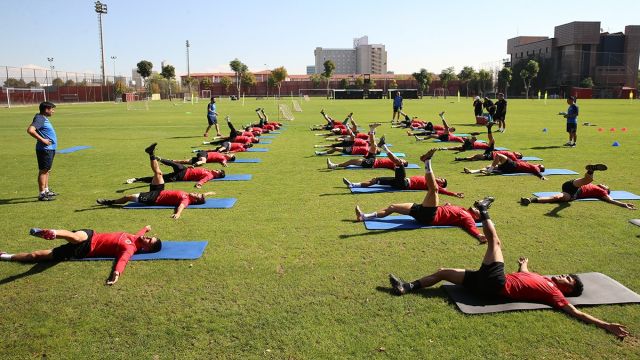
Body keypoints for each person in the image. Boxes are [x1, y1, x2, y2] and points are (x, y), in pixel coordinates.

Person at [387, 197, 629, 339]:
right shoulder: (543, 279)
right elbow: (525, 277)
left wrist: (606, 325)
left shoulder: (556, 295)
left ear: (568, 290)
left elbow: (577, 313)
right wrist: (524, 265)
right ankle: (406, 287)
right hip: (486, 284)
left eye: (569, 279)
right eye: (567, 275)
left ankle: (483, 209)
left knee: (496, 241)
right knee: (442, 272)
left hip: (497, 284)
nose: (564, 276)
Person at [355, 148, 486, 243]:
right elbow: (448, 213)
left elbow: (472, 228)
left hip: (430, 216)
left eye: (478, 212)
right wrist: (446, 206)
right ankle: (364, 216)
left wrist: (479, 236)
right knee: (392, 206)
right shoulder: (463, 210)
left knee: (433, 189)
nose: (476, 209)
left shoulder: (468, 218)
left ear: (477, 217)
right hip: (424, 211)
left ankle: (427, 161)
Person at [0, 226, 161, 286]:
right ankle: (52, 233)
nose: (147, 237)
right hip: (91, 235)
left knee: (36, 256)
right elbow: (141, 233)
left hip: (84, 250)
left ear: (146, 248)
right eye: (149, 236)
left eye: (149, 240)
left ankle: (5, 256)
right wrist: (145, 229)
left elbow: (123, 260)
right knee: (76, 236)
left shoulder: (130, 248)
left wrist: (116, 273)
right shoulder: (135, 237)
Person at [96, 143, 213, 219]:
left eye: (197, 195)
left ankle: (109, 202)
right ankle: (151, 153)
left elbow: (181, 206)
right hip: (160, 190)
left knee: (127, 197)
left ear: (194, 200)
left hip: (154, 198)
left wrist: (177, 214)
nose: (196, 193)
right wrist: (207, 194)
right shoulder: (190, 195)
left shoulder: (186, 199)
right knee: (158, 173)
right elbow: (202, 195)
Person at [342, 145, 464, 198]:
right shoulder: (430, 178)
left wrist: (454, 194)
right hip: (398, 182)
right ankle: (353, 184)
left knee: (399, 163)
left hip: (404, 183)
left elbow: (444, 192)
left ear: (441, 184)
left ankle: (384, 147)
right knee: (375, 180)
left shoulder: (434, 185)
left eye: (442, 180)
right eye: (442, 178)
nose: (440, 179)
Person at [520, 164, 637, 209]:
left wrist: (623, 204)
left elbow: (611, 200)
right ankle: (591, 170)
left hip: (573, 194)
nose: (604, 184)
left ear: (606, 190)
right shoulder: (593, 184)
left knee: (556, 198)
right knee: (587, 180)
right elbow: (586, 181)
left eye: (606, 186)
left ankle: (530, 200)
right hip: (576, 184)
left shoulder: (603, 193)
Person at [124, 144, 225, 188]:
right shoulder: (209, 171)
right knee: (173, 163)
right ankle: (157, 158)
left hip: (181, 176)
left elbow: (203, 180)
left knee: (159, 178)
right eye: (218, 169)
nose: (216, 170)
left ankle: (136, 179)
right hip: (184, 170)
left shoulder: (210, 176)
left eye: (218, 171)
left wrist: (199, 184)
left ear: (218, 175)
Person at [27, 101, 58, 201]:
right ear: (46, 110)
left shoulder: (42, 118)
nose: (53, 111)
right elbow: (30, 130)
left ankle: (46, 190)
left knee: (47, 170)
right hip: (45, 150)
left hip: (49, 149)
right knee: (43, 171)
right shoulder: (40, 118)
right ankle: (42, 194)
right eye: (52, 109)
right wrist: (43, 140)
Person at [454, 123, 522, 161]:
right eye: (519, 154)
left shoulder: (513, 157)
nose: (518, 155)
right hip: (492, 151)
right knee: (492, 140)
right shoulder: (511, 153)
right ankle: (489, 128)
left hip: (491, 156)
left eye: (519, 156)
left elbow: (517, 161)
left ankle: (462, 159)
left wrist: (520, 160)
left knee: (477, 156)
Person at [464, 152, 546, 180]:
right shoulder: (529, 165)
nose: (538, 164)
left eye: (540, 165)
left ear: (539, 167)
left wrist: (541, 177)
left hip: (513, 166)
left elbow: (537, 171)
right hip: (510, 169)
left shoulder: (534, 168)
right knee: (489, 166)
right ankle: (472, 171)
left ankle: (490, 170)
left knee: (499, 156)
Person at [315, 123, 382, 156]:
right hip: (352, 145)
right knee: (338, 143)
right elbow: (373, 142)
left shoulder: (369, 151)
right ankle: (347, 127)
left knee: (336, 147)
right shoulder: (368, 144)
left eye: (377, 149)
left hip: (351, 149)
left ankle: (322, 153)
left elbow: (373, 144)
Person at [326, 143, 407, 170]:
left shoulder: (397, 164)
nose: (401, 159)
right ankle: (372, 131)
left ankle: (334, 166)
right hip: (373, 160)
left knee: (352, 161)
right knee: (373, 147)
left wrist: (386, 149)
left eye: (403, 160)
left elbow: (393, 158)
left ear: (403, 164)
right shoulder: (396, 162)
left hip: (372, 163)